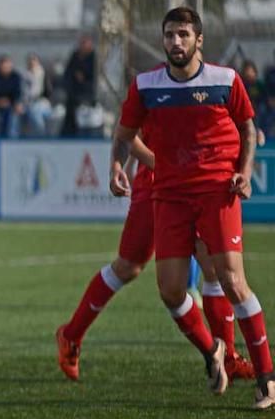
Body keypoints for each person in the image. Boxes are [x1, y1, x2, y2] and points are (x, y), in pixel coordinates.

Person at [109, 6, 273, 409]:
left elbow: (248, 127)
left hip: (217, 191)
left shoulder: (225, 80)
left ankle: (267, 378)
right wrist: (115, 166)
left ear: (199, 40)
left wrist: (244, 172)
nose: (175, 42)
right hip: (169, 195)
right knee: (169, 290)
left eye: (183, 34)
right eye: (169, 35)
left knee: (233, 281)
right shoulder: (146, 85)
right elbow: (125, 133)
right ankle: (211, 350)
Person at [56, 153, 253, 381]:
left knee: (213, 266)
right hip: (158, 184)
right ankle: (71, 335)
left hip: (193, 179)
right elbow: (130, 133)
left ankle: (227, 358)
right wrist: (140, 166)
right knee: (129, 267)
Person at [61, 35, 96, 137]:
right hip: (73, 92)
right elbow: (68, 73)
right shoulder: (75, 56)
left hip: (87, 93)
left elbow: (93, 75)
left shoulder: (93, 57)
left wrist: (83, 77)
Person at [0, 55, 24, 138]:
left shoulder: (16, 77)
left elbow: (18, 93)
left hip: (10, 105)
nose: (5, 68)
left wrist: (15, 103)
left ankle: (10, 139)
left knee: (13, 115)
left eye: (7, 66)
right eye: (3, 66)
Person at [23, 53, 52, 136]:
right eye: (30, 61)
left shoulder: (43, 74)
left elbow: (48, 92)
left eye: (34, 61)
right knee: (15, 115)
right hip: (27, 103)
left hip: (42, 103)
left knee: (35, 111)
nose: (32, 64)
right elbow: (23, 93)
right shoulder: (24, 76)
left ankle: (41, 137)